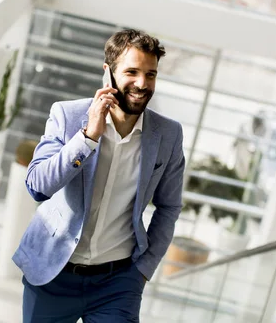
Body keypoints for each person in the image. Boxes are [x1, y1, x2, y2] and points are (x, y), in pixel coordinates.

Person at [13, 29, 185, 322]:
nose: (142, 84)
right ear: (108, 73)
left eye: (151, 74)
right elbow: (38, 187)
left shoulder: (167, 134)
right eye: (131, 72)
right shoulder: (67, 116)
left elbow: (169, 206)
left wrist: (144, 270)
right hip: (53, 274)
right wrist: (88, 137)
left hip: (117, 282)